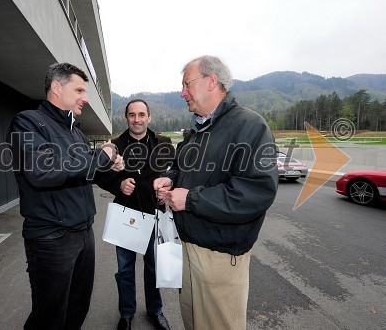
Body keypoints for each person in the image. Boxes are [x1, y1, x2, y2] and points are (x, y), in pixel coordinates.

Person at [154, 55, 278, 329]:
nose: (182, 92)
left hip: (219, 256)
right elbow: (180, 169)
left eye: (187, 84)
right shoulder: (197, 131)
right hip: (187, 246)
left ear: (211, 82)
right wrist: (169, 181)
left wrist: (191, 199)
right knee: (193, 321)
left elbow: (255, 192)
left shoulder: (249, 125)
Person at [7, 62, 123, 330]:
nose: (85, 98)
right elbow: (41, 171)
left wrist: (117, 176)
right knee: (49, 315)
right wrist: (99, 157)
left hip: (83, 233)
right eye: (80, 90)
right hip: (51, 236)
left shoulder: (76, 133)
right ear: (57, 88)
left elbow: (88, 173)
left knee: (77, 306)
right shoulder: (28, 122)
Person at [97, 99, 174, 330]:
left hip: (155, 215)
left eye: (141, 115)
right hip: (126, 217)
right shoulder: (114, 145)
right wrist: (118, 185)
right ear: (126, 118)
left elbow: (174, 172)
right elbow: (99, 175)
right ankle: (126, 314)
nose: (137, 119)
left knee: (153, 269)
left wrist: (167, 191)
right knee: (125, 270)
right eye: (132, 115)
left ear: (149, 117)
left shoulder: (164, 143)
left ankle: (155, 311)